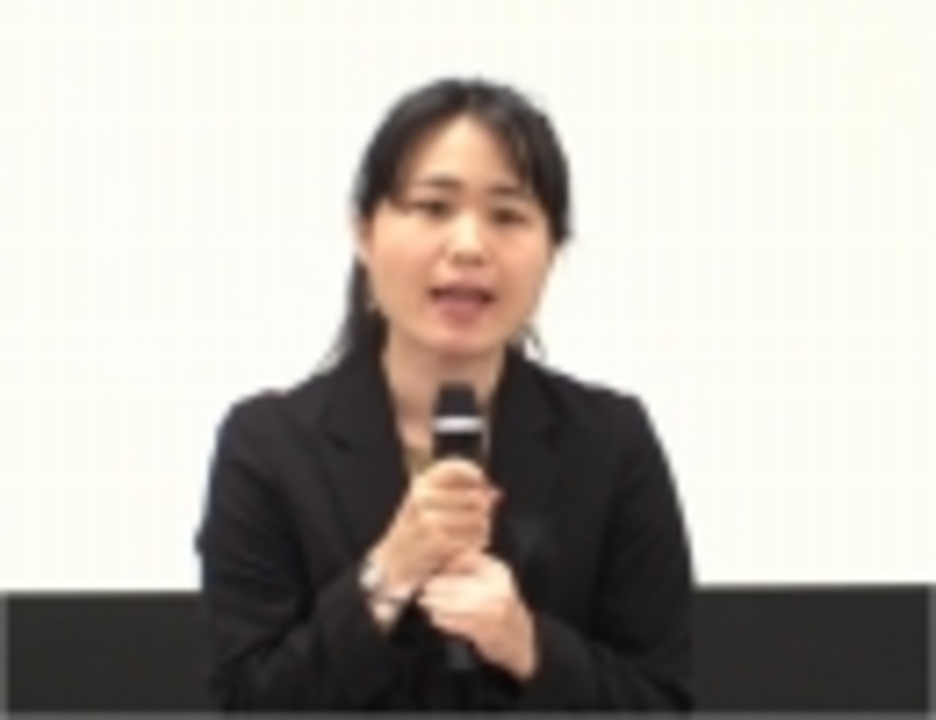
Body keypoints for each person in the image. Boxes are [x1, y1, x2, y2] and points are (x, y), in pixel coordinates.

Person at [196, 77, 694, 711]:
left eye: (508, 215)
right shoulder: (269, 446)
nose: (468, 246)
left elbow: (661, 701)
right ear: (365, 232)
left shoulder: (609, 441)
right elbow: (249, 702)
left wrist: (529, 645)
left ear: (552, 249)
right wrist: (389, 573)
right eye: (433, 207)